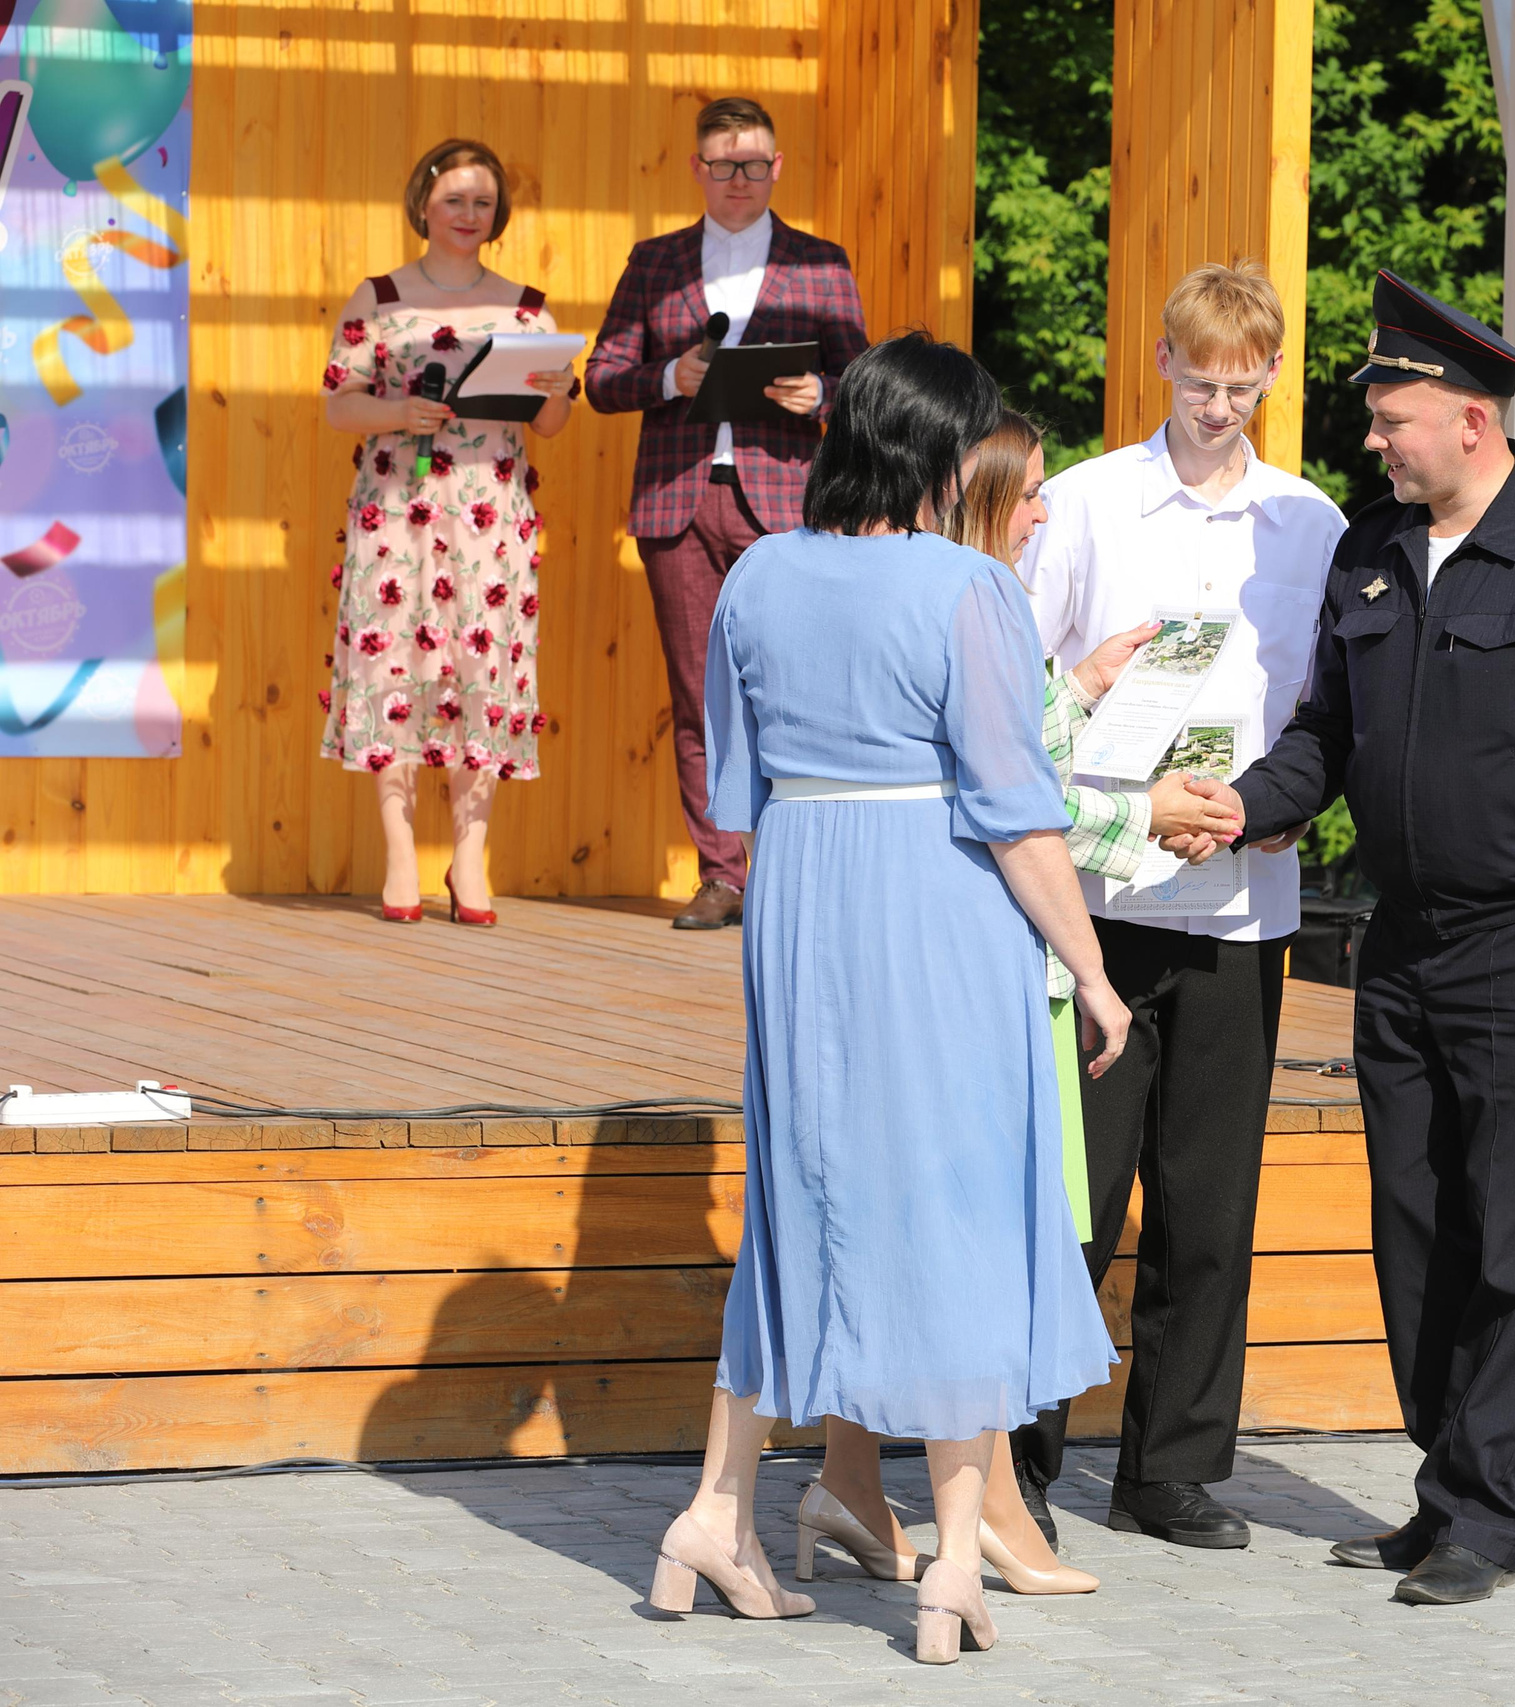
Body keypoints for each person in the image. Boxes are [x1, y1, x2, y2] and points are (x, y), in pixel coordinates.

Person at [1198, 270, 1515, 1605]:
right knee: (1413, 1228)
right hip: (1402, 945)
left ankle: (1488, 1508)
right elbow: (1326, 742)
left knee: (1511, 1242)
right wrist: (1240, 808)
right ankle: (1445, 1480)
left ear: (1473, 419)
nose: (1374, 439)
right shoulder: (1370, 552)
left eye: (1393, 417)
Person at [645, 335, 1121, 1668]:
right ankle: (954, 1560)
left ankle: (716, 1509)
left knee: (808, 1193)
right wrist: (1089, 966)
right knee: (957, 1190)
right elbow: (1019, 813)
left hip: (801, 894)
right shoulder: (969, 585)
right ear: (933, 447)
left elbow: (732, 788)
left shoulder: (757, 576)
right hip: (937, 900)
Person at [797, 412, 1236, 1595]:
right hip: (985, 966)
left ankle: (849, 1475)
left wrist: (1083, 687)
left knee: (895, 1212)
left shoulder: (920, 597)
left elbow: (1008, 768)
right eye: (1031, 493)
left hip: (893, 947)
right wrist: (1149, 820)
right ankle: (985, 1502)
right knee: (985, 1231)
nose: (1046, 513)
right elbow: (1013, 808)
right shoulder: (969, 602)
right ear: (975, 494)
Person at [1007, 262, 1346, 1552]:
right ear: (1160, 362)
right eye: (1197, 382)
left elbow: (1322, 709)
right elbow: (1025, 681)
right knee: (1074, 1195)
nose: (1216, 406)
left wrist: (1259, 807)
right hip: (1097, 894)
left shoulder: (1305, 522)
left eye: (1240, 385)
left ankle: (1171, 1470)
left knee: (1209, 1202)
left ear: (1270, 376)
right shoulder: (1086, 502)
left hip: (1239, 897)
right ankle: (1020, 1457)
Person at [586, 96, 871, 931]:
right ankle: (722, 874)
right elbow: (602, 376)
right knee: (697, 695)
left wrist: (821, 392)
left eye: (752, 163)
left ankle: (791, 870)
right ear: (696, 169)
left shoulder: (821, 263)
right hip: (678, 499)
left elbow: (863, 382)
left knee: (798, 690)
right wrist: (665, 379)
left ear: (777, 167)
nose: (737, 178)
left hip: (786, 500)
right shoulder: (654, 261)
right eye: (721, 164)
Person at [321, 139, 576, 926]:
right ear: (424, 203)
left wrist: (562, 389)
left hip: (491, 512)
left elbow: (553, 422)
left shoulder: (528, 306)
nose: (470, 215)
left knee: (481, 667)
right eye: (456, 200)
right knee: (393, 660)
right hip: (398, 504)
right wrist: (400, 412)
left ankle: (471, 855)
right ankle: (399, 851)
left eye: (483, 203)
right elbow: (338, 404)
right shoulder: (380, 296)